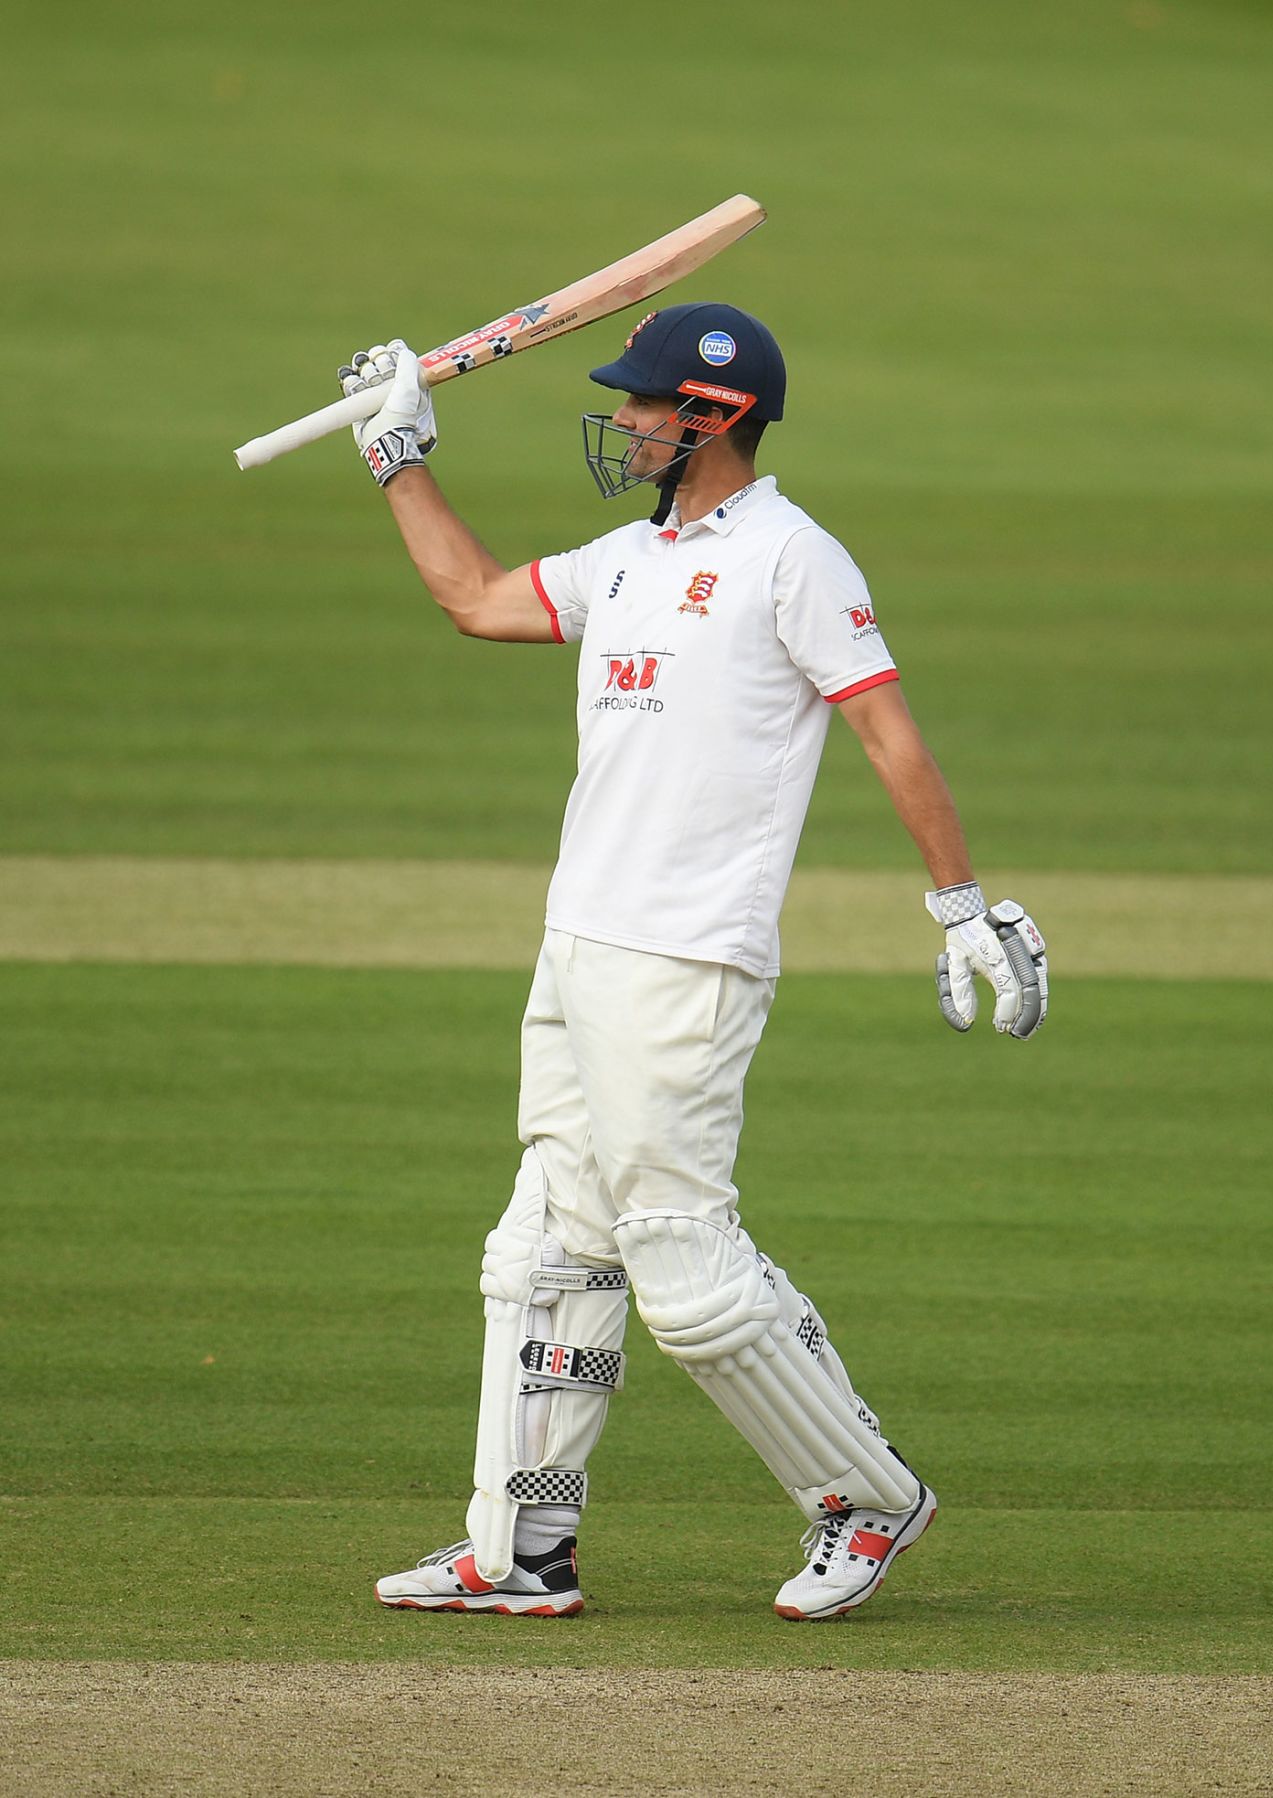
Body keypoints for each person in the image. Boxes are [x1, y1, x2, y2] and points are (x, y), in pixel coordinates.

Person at [342, 304, 1048, 1621]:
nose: (623, 420)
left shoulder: (795, 558)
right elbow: (476, 599)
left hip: (687, 959)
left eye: (644, 404)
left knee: (680, 1258)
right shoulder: (626, 558)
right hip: (578, 946)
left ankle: (867, 1497)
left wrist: (960, 906)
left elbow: (888, 733)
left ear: (712, 419)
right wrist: (400, 456)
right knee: (553, 1245)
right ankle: (521, 1548)